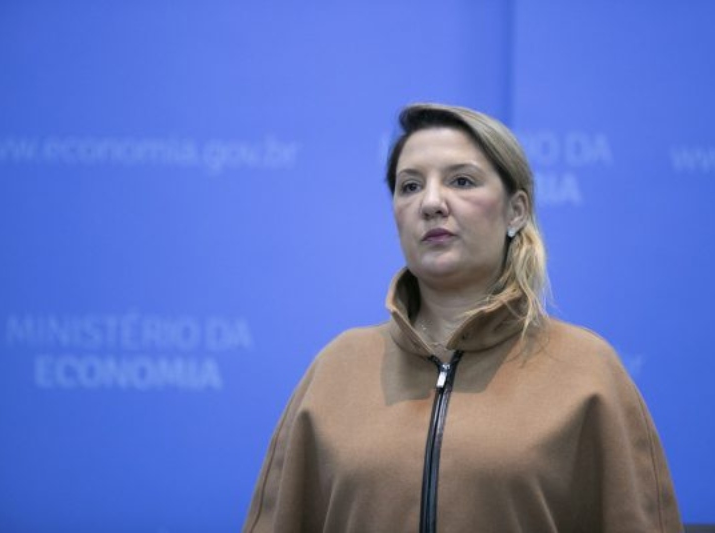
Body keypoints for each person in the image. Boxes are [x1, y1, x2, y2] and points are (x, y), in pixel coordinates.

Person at [242, 103, 683, 532]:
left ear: (516, 211)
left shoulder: (587, 370)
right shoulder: (336, 368)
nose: (431, 202)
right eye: (410, 186)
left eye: (462, 181)